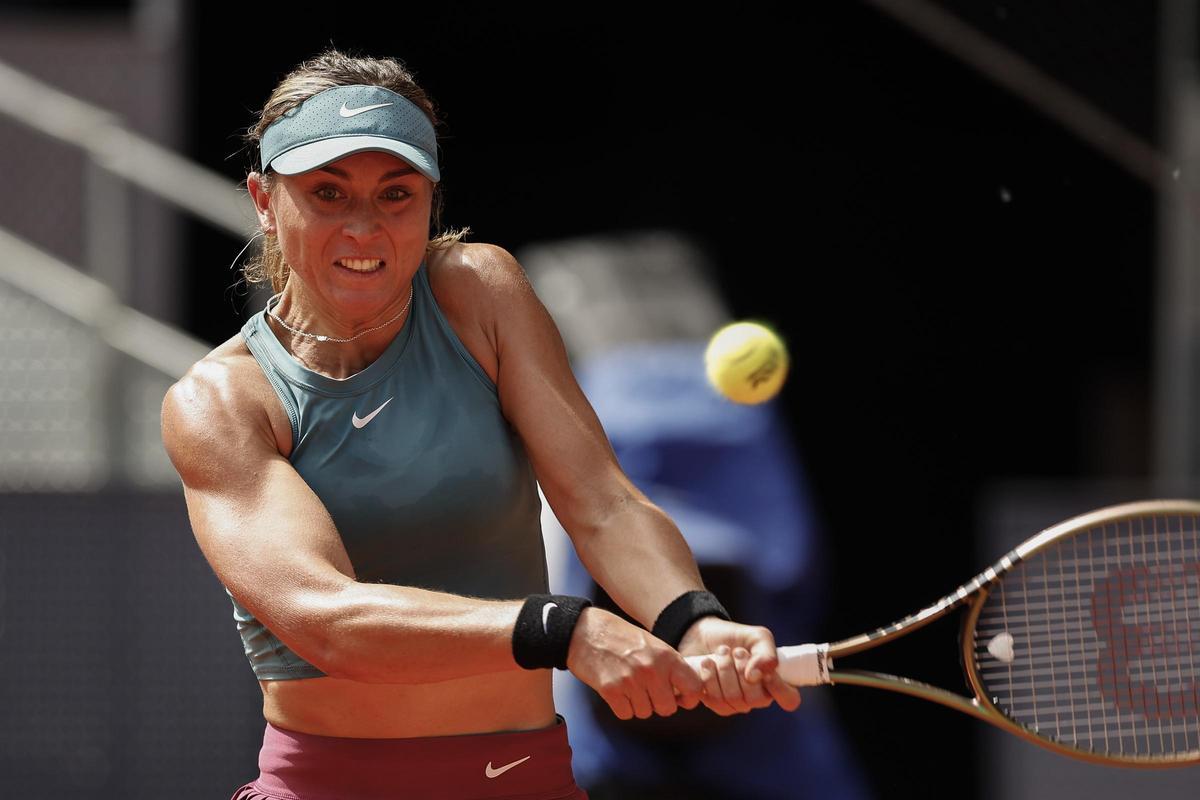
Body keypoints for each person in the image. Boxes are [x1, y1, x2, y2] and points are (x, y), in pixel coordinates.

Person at [160, 48, 801, 800]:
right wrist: (564, 630)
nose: (364, 227)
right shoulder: (219, 402)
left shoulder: (482, 294)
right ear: (264, 202)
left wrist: (692, 620)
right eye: (327, 192)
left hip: (522, 780)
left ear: (430, 201)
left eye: (396, 194)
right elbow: (326, 618)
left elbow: (602, 502)